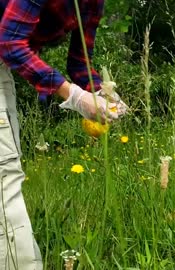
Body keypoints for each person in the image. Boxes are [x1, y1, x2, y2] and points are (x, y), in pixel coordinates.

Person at [0, 0, 127, 268]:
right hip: (3, 48)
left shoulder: (94, 4)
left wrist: (102, 92)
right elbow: (10, 43)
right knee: (4, 175)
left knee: (10, 159)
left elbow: (80, 64)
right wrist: (76, 97)